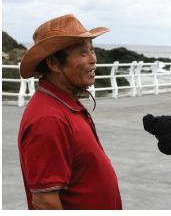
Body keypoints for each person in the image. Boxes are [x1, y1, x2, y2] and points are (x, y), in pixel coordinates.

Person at [18, 14, 122, 210]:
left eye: (92, 51)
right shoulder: (48, 118)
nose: (93, 60)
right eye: (83, 53)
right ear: (54, 64)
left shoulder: (65, 105)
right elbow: (45, 203)